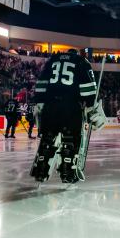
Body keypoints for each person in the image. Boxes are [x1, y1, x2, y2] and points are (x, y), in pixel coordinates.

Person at [30, 49, 106, 183]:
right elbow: (88, 89)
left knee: (47, 139)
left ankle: (41, 171)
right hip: (70, 106)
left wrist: (39, 102)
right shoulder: (81, 61)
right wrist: (91, 107)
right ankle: (68, 172)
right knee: (70, 139)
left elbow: (41, 83)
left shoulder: (52, 60)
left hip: (50, 105)